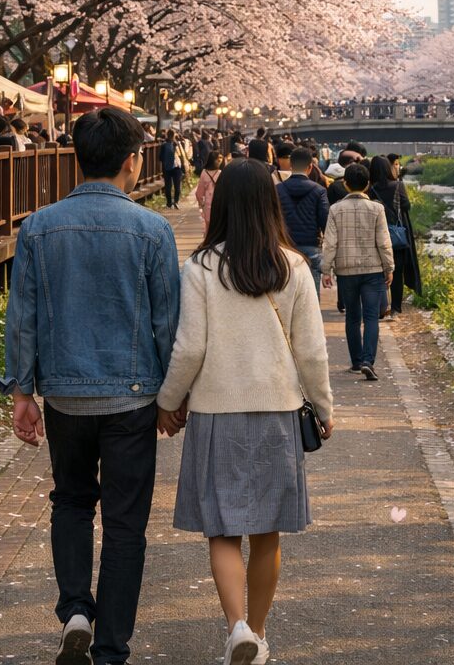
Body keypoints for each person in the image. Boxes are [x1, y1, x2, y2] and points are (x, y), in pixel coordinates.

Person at [0, 107, 181, 665]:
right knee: (126, 525)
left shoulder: (39, 226)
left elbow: (22, 316)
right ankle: (110, 648)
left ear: (77, 158)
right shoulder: (154, 230)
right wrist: (173, 399)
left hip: (66, 396)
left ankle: (76, 608)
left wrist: (23, 392)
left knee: (71, 502)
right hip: (132, 396)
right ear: (133, 160)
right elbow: (167, 323)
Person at [156, 159, 333, 665]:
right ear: (268, 203)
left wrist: (168, 403)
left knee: (223, 529)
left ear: (223, 204)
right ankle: (257, 631)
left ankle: (237, 628)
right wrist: (324, 406)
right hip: (278, 410)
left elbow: (189, 348)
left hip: (217, 412)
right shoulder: (293, 266)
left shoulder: (201, 268)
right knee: (268, 531)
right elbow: (312, 351)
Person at [321, 162, 394, 382]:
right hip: (373, 269)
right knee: (371, 316)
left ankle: (355, 362)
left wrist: (326, 269)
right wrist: (389, 267)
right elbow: (383, 242)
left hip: (346, 270)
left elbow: (330, 242)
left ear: (345, 183)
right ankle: (368, 361)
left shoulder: (335, 209)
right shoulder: (377, 209)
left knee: (352, 316)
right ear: (368, 184)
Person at [368, 154, 422, 314]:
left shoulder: (371, 189)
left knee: (380, 270)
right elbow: (406, 205)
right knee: (397, 272)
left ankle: (380, 305)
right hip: (396, 235)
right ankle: (396, 308)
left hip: (377, 235)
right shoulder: (397, 185)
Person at [277, 147, 330, 296]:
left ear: (291, 165)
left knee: (285, 292)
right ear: (310, 167)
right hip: (311, 247)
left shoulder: (277, 190)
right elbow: (325, 221)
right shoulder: (319, 191)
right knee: (311, 295)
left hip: (284, 247)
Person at [195, 152, 224, 234]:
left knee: (208, 226)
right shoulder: (221, 173)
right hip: (219, 203)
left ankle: (207, 243)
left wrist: (201, 204)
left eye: (221, 158)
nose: (219, 160)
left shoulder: (204, 172)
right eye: (218, 158)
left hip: (208, 204)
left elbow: (199, 193)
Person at [161, 129, 184, 209]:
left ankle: (169, 203)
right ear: (174, 135)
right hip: (177, 167)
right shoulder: (177, 144)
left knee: (168, 186)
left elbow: (160, 157)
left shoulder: (164, 145)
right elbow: (182, 155)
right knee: (177, 186)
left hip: (167, 167)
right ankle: (176, 202)